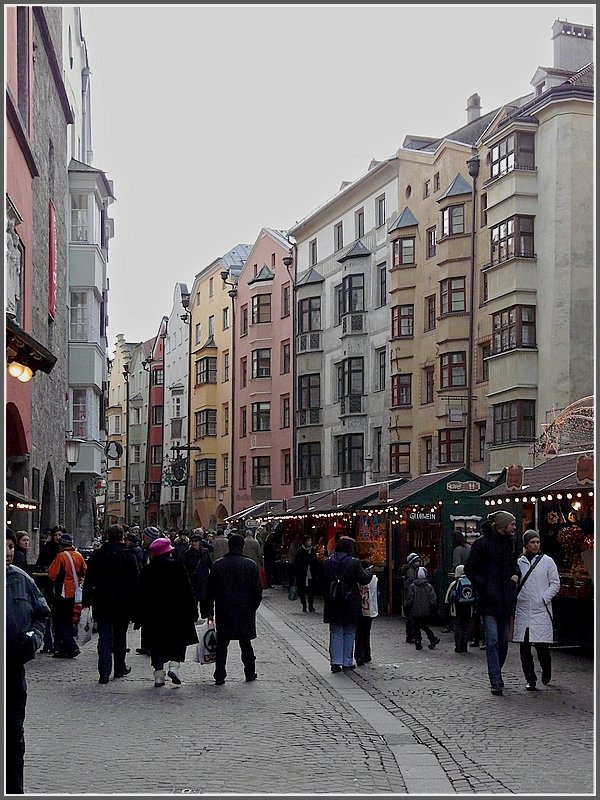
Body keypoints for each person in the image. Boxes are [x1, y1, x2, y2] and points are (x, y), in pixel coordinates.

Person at [6, 529, 51, 794]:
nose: (9, 551)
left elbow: (42, 614)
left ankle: (14, 790)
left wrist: (33, 638)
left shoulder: (21, 579)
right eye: (4, 546)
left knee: (13, 734)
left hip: (13, 669)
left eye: (11, 546)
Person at [464, 510, 520, 696]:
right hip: (488, 601)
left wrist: (515, 575)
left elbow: (514, 565)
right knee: (493, 640)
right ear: (502, 525)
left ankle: (497, 671)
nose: (514, 527)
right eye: (511, 524)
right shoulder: (482, 544)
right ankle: (495, 679)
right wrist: (484, 584)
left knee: (503, 643)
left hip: (505, 600)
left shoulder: (510, 544)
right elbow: (470, 568)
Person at [133, 537, 199, 687]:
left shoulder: (147, 570)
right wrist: (193, 612)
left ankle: (158, 675)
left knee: (156, 644)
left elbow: (139, 594)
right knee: (178, 641)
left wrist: (138, 617)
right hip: (177, 613)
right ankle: (174, 666)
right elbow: (188, 592)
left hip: (154, 615)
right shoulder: (178, 568)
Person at [81, 524, 140, 684]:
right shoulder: (129, 557)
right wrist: (136, 606)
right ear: (122, 537)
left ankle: (104, 672)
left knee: (104, 637)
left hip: (102, 602)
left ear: (106, 536)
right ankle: (119, 668)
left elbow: (88, 580)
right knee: (120, 637)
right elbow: (135, 584)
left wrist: (86, 601)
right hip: (123, 604)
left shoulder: (97, 556)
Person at [204, 533, 263, 685]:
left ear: (229, 546)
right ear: (242, 547)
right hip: (245, 610)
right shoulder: (250, 565)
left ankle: (220, 674)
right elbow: (257, 590)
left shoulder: (218, 564)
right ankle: (250, 672)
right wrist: (252, 607)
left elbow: (210, 590)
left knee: (222, 644)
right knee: (246, 643)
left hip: (224, 610)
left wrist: (209, 610)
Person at [514, 529, 560, 691]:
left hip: (540, 610)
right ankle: (530, 678)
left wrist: (543, 598)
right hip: (524, 609)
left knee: (542, 646)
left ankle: (546, 669)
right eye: (532, 542)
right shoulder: (519, 563)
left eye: (537, 542)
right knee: (524, 648)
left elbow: (555, 583)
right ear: (526, 544)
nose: (535, 545)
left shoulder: (548, 561)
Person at [322, 535, 373, 672]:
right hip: (350, 601)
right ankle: (347, 661)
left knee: (335, 631)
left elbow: (321, 581)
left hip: (333, 601)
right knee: (349, 632)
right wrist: (369, 571)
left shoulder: (327, 562)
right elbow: (364, 579)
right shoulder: (354, 563)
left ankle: (335, 662)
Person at [47, 532, 87, 659]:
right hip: (74, 592)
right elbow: (84, 571)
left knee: (59, 621)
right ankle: (62, 649)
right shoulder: (78, 555)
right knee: (69, 620)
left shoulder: (60, 556)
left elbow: (52, 574)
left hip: (62, 592)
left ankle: (71, 646)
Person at [34, 525, 64, 654]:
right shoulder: (47, 548)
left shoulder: (64, 550)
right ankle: (48, 643)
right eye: (56, 535)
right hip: (48, 585)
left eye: (60, 535)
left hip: (60, 587)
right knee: (48, 614)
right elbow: (39, 565)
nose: (58, 538)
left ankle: (57, 643)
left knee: (58, 615)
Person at [406, 567, 440, 651]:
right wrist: (433, 608)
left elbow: (410, 599)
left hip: (415, 610)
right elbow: (433, 599)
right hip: (426, 610)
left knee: (417, 625)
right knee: (422, 624)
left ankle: (420, 642)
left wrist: (407, 608)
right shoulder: (429, 586)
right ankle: (431, 638)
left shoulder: (413, 587)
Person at [181, 531, 213, 619]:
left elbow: (210, 564)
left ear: (200, 542)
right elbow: (183, 567)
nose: (194, 543)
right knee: (192, 599)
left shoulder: (205, 552)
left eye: (196, 541)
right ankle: (193, 615)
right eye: (192, 541)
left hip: (203, 579)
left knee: (204, 599)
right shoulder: (187, 553)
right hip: (192, 580)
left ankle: (204, 615)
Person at [444, 564, 475, 653]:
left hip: (456, 610)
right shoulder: (471, 582)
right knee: (466, 627)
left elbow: (447, 598)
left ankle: (458, 646)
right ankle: (464, 646)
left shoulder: (454, 583)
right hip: (469, 610)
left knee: (457, 628)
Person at [355, 564, 378, 666]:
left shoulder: (356, 579)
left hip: (359, 609)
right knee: (366, 633)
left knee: (358, 634)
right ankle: (367, 654)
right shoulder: (373, 580)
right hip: (369, 609)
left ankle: (359, 655)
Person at [294, 534, 319, 612]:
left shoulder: (313, 551)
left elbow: (315, 563)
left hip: (311, 574)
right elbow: (297, 563)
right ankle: (304, 605)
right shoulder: (300, 551)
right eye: (308, 541)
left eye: (310, 540)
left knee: (311, 591)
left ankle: (311, 606)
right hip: (302, 574)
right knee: (302, 591)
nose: (310, 542)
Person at [401, 553, 422, 643]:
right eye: (416, 561)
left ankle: (411, 635)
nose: (418, 563)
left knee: (411, 617)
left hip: (409, 595)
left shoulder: (412, 569)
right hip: (411, 595)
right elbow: (410, 582)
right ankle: (411, 635)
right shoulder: (411, 571)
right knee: (411, 617)